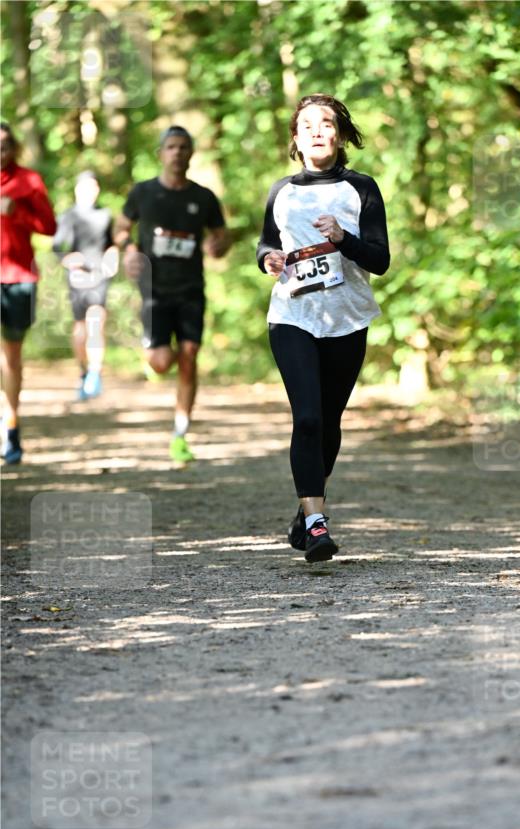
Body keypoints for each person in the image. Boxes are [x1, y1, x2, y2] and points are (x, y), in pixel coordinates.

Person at [257, 95, 390, 563]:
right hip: (292, 316)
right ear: (295, 137)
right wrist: (267, 260)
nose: (317, 130)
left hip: (347, 317)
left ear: (340, 134)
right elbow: (266, 245)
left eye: (326, 123)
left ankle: (304, 506)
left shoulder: (361, 188)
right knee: (308, 418)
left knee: (329, 423)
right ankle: (317, 524)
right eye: (307, 124)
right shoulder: (282, 191)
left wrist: (343, 239)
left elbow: (380, 259)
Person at [114, 125, 228, 463]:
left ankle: (180, 434)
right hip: (154, 291)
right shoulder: (143, 193)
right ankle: (155, 356)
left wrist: (218, 245)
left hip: (191, 288)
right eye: (171, 147)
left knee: (190, 354)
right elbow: (120, 227)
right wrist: (129, 248)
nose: (177, 152)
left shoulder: (203, 197)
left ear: (191, 154)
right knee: (163, 363)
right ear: (161, 154)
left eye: (183, 147)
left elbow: (223, 238)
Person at [0, 122, 57, 464]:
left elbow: (49, 227)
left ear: (15, 148)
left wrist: (17, 212)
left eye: (6, 145)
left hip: (19, 279)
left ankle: (12, 427)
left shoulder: (29, 181)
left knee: (11, 358)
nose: (0, 151)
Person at [53, 170, 118, 400]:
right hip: (78, 276)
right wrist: (69, 260)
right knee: (81, 327)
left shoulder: (106, 215)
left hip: (100, 274)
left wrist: (113, 257)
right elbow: (58, 247)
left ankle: (95, 373)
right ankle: (82, 370)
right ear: (77, 189)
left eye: (94, 187)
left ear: (98, 189)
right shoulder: (68, 216)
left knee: (97, 322)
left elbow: (112, 243)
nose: (90, 191)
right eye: (85, 187)